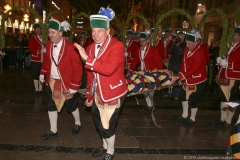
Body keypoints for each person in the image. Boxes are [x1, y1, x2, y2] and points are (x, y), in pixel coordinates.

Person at [74, 6, 127, 160]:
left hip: (113, 92)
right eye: (93, 31)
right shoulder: (89, 48)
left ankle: (110, 150)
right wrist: (89, 96)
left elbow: (109, 69)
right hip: (97, 93)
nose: (95, 35)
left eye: (100, 31)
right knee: (99, 124)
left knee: (107, 126)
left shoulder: (117, 46)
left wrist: (87, 58)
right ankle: (104, 145)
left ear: (108, 31)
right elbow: (90, 75)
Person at [39, 19, 83, 140]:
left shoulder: (70, 47)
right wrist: (42, 73)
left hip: (67, 82)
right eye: (49, 32)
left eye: (53, 32)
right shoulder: (48, 44)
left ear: (61, 33)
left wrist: (74, 86)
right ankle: (53, 130)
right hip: (52, 81)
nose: (50, 35)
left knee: (71, 105)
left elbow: (78, 68)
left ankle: (78, 123)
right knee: (50, 105)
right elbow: (47, 60)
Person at [170, 31, 207, 126]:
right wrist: (181, 78)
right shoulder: (186, 49)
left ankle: (192, 118)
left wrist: (179, 77)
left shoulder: (200, 53)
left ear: (195, 42)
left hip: (197, 80)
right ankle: (184, 115)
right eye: (186, 42)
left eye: (188, 43)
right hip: (187, 78)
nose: (186, 45)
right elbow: (183, 64)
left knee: (193, 100)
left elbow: (194, 69)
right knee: (183, 96)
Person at [128, 32, 163, 113]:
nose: (141, 43)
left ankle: (151, 105)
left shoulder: (153, 49)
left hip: (151, 74)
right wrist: (130, 70)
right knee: (144, 90)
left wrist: (159, 74)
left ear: (147, 41)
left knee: (150, 91)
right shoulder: (138, 49)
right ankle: (149, 106)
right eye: (140, 41)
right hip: (141, 73)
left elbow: (159, 63)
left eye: (143, 41)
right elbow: (136, 60)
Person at [212, 26, 240, 128]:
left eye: (234, 34)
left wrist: (228, 64)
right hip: (224, 76)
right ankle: (222, 119)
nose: (232, 36)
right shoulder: (231, 46)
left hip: (234, 77)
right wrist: (220, 62)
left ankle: (228, 121)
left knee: (232, 100)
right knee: (223, 98)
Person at [167, 32, 186, 100]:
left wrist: (178, 45)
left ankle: (176, 95)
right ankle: (168, 93)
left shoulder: (185, 44)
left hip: (179, 65)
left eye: (180, 35)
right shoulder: (175, 42)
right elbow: (169, 50)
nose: (179, 37)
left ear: (183, 37)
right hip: (172, 64)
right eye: (178, 35)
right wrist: (173, 43)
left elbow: (183, 52)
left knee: (178, 80)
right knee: (169, 78)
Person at [29, 23, 45, 94]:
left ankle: (41, 89)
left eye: (39, 29)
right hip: (35, 59)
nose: (38, 31)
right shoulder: (32, 39)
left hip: (43, 60)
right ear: (34, 31)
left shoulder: (44, 38)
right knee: (35, 74)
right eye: (36, 30)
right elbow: (32, 49)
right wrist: (40, 51)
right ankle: (36, 89)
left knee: (42, 74)